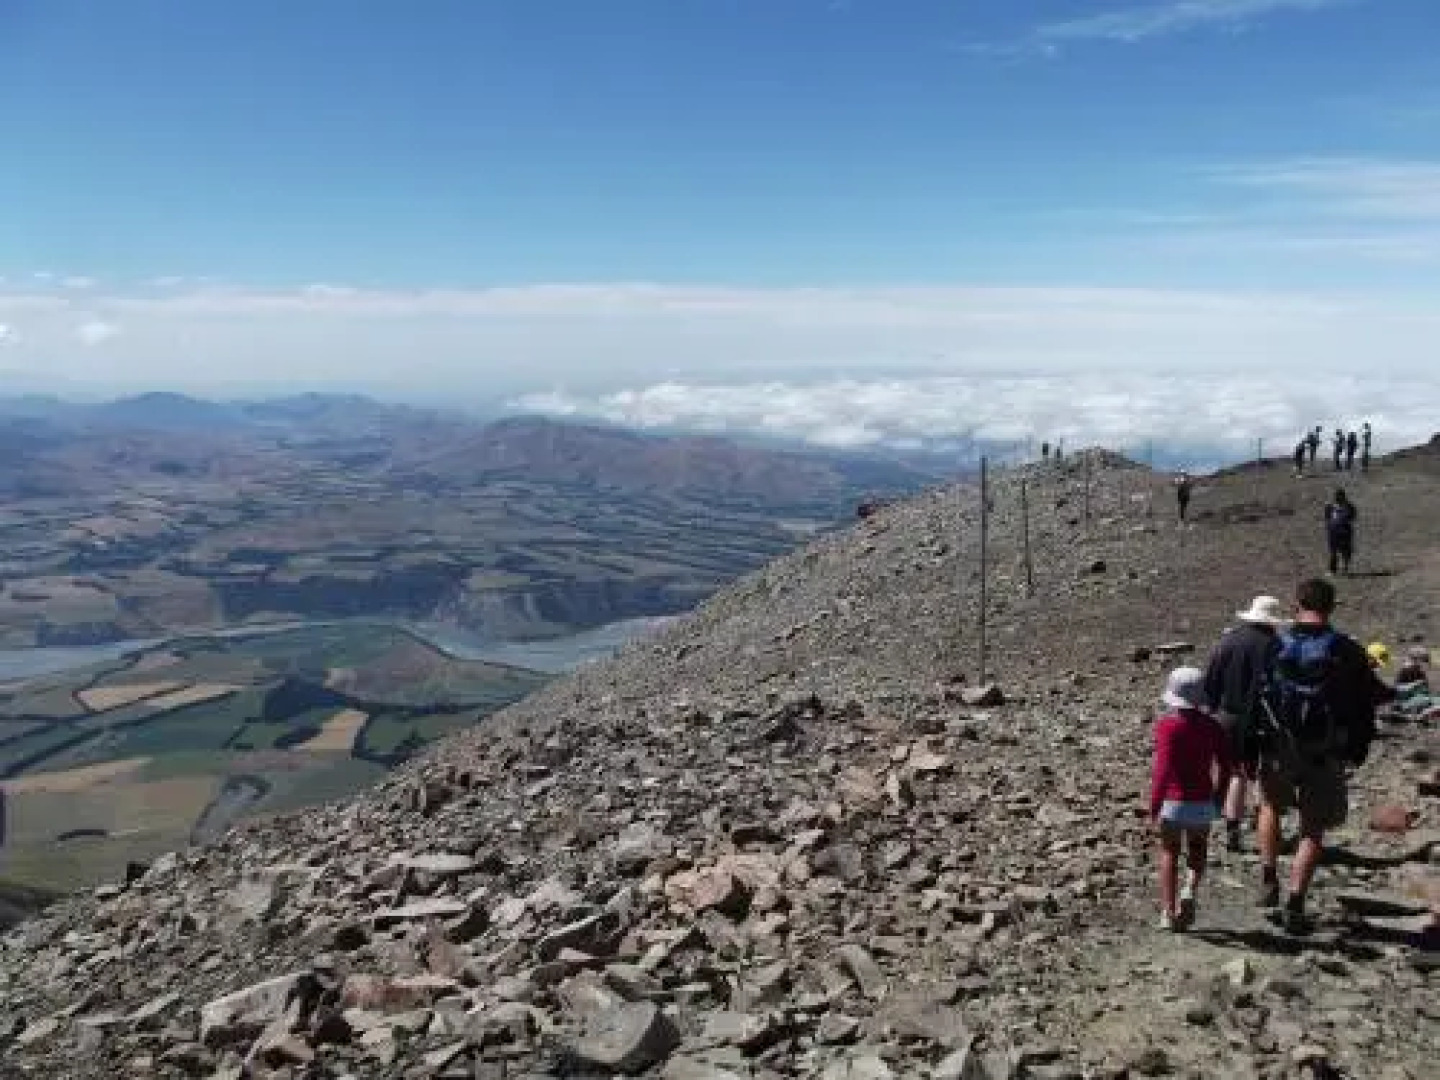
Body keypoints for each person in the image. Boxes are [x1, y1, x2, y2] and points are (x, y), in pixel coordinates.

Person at [1254, 578, 1387, 933]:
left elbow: (1259, 694)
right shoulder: (1346, 649)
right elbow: (1365, 703)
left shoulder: (1275, 644)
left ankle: (1268, 877)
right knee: (1312, 828)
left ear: (1297, 604)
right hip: (1325, 750)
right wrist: (1357, 748)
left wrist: (1252, 742)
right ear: (1330, 607)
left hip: (1278, 745)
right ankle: (1296, 902)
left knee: (1270, 805)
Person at [1150, 666, 1233, 931]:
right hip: (1202, 802)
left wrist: (1154, 805)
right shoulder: (1213, 726)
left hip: (1173, 802)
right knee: (1197, 849)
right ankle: (1189, 889)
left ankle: (1168, 910)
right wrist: (1219, 797)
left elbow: (1162, 770)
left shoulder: (1167, 726)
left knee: (1169, 853)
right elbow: (1225, 765)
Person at [1203, 595, 1287, 852]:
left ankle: (1233, 831)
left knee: (1236, 774)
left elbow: (1211, 681)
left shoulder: (1228, 641)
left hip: (1228, 717)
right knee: (1263, 775)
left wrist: (1213, 709)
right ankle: (1267, 831)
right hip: (1264, 719)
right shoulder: (1277, 645)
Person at [1324, 488, 1356, 575]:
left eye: (1339, 497)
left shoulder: (1349, 507)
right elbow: (1327, 517)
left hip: (1345, 533)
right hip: (1333, 532)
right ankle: (1332, 570)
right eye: (1337, 497)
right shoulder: (1330, 507)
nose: (1338, 499)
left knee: (1345, 552)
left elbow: (1352, 517)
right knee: (1333, 552)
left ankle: (1344, 569)